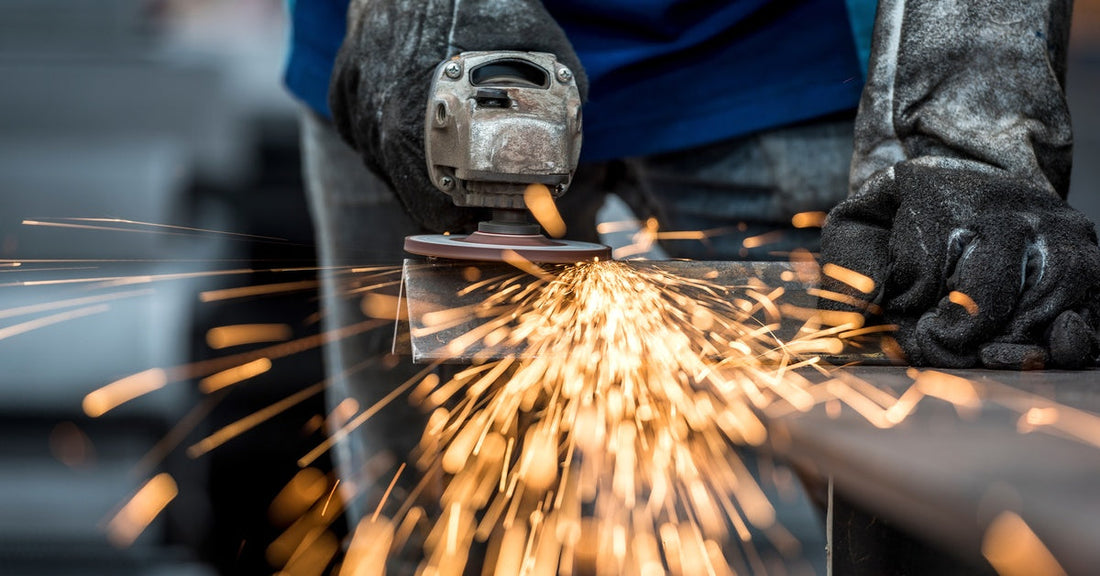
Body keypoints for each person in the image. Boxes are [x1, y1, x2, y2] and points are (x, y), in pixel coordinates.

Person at [283, 0, 1099, 568]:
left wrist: (970, 133)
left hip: (761, 50)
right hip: (412, 62)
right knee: (438, 527)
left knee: (788, 530)